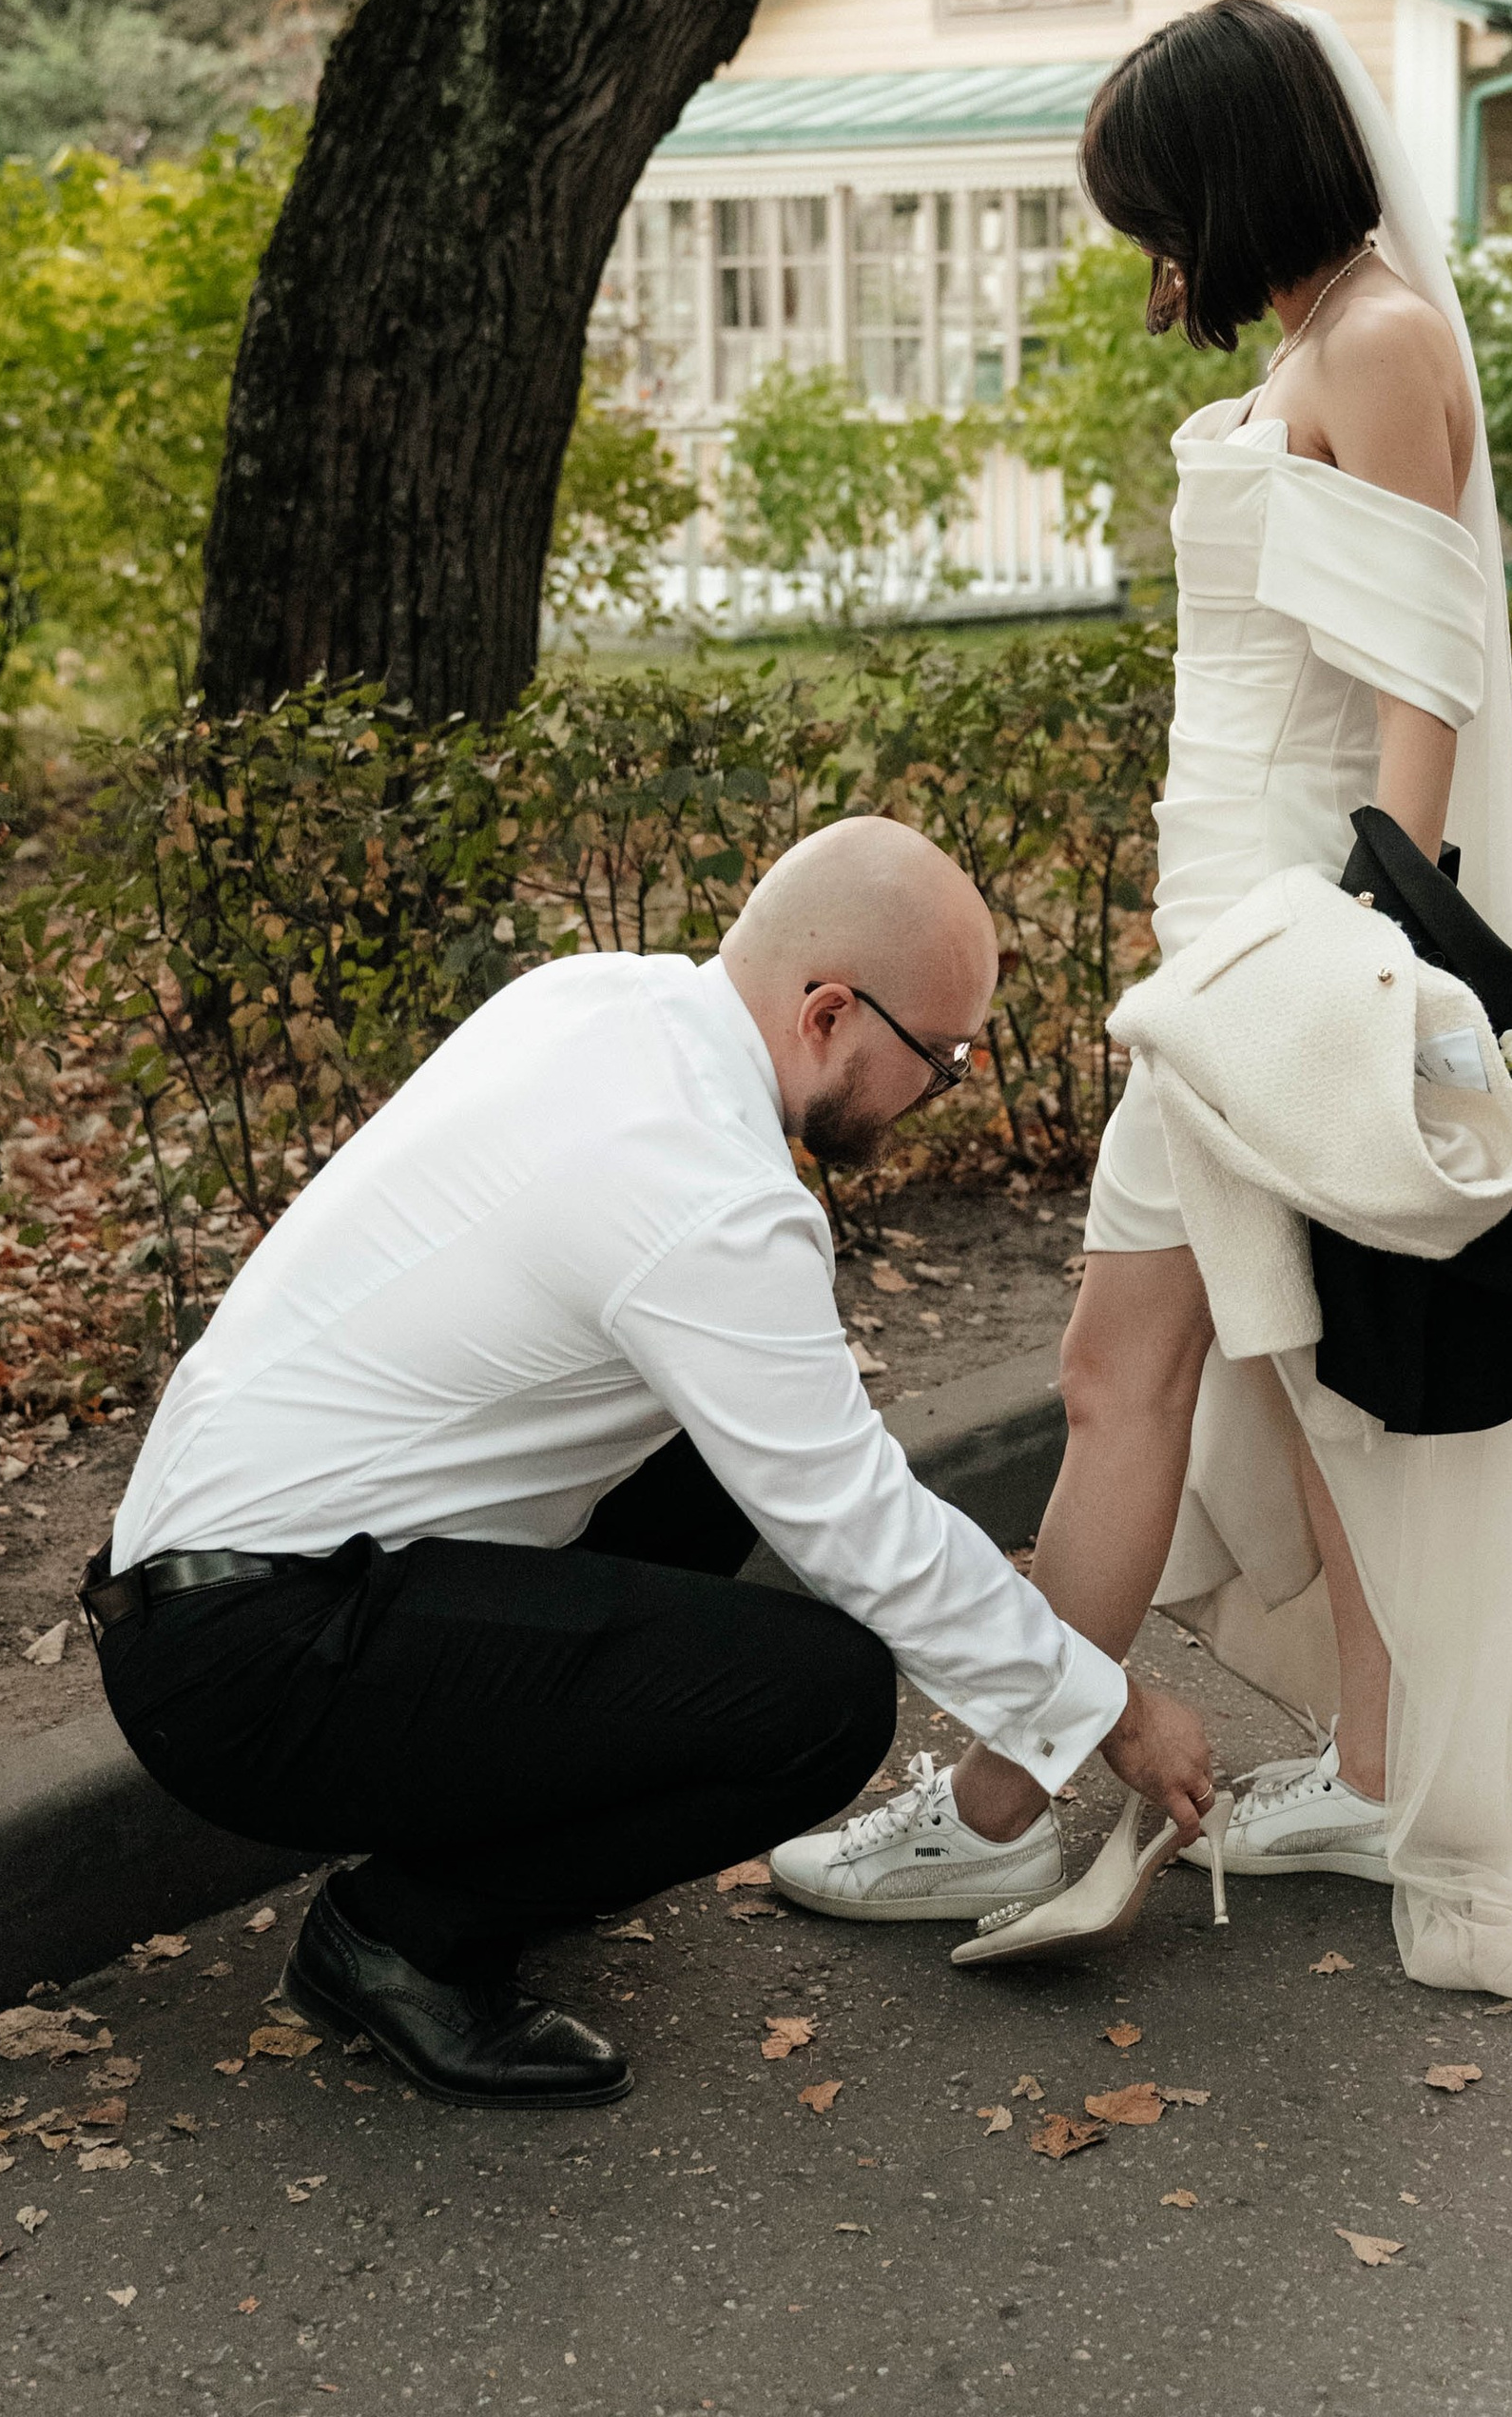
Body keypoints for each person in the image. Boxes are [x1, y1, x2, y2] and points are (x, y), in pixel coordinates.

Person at [776, 0, 1512, 2015]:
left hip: (1282, 956)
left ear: (1230, 170)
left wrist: (1378, 957)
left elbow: (1423, 683)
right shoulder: (1325, 328)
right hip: (1228, 936)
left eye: (1154, 209)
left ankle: (1003, 1799)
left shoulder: (1374, 340)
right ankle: (1382, 1776)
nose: (1149, 255)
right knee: (1304, 1390)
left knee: (1125, 1366)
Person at [87, 818, 1213, 2106]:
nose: (942, 1087)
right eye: (940, 1056)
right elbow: (861, 1527)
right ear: (830, 1011)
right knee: (822, 1701)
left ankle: (504, 1819)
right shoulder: (707, 1194)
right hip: (253, 1661)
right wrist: (1108, 1709)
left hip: (215, 1588)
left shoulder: (594, 1000)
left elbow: (807, 1470)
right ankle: (400, 1935)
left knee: (706, 1448)